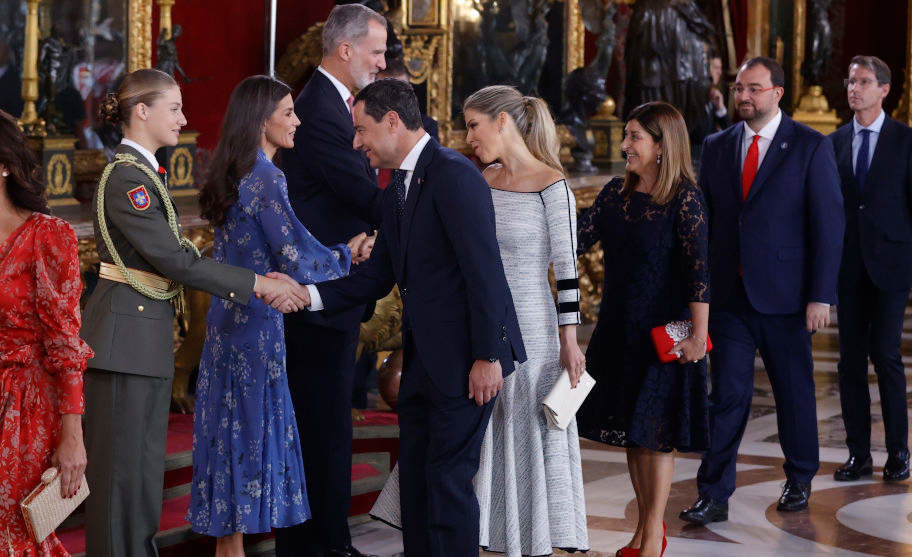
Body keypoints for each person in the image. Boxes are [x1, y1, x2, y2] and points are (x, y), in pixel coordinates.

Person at [266, 78, 526, 556]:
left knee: (447, 489)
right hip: (425, 366)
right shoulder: (397, 189)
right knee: (420, 493)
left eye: (361, 129)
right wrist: (306, 294)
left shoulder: (453, 175)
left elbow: (485, 272)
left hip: (467, 364)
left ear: (392, 122)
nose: (356, 142)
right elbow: (374, 278)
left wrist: (488, 355)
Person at [79, 68, 302, 557]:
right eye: (174, 107)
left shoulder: (142, 175)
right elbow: (176, 261)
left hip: (141, 343)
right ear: (143, 111)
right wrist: (258, 284)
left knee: (138, 484)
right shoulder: (127, 180)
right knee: (121, 486)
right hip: (124, 348)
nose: (184, 118)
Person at [188, 76, 366, 555]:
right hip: (256, 324)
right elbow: (294, 253)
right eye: (288, 112)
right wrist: (347, 256)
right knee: (247, 437)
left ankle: (230, 548)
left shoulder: (234, 169)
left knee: (227, 437)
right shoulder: (267, 175)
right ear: (262, 118)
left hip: (226, 322)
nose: (297, 120)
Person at [679, 57, 844, 525]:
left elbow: (829, 226)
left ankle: (799, 477)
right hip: (729, 299)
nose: (744, 96)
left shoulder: (811, 146)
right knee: (726, 395)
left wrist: (821, 296)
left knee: (794, 392)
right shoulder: (716, 145)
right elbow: (705, 224)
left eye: (753, 88)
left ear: (777, 93)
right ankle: (714, 493)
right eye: (738, 88)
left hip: (788, 299)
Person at [457, 85, 588, 556]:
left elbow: (568, 272)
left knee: (530, 430)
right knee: (485, 424)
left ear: (503, 122)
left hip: (534, 328)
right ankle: (487, 533)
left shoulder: (554, 184)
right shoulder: (480, 180)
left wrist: (569, 342)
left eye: (474, 124)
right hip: (482, 325)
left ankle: (529, 538)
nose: (468, 135)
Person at [576, 101, 710, 557]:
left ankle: (653, 533)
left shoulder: (685, 200)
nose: (625, 144)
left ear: (660, 145)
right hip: (617, 332)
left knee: (655, 432)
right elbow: (576, 236)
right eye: (627, 135)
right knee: (633, 432)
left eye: (634, 136)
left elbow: (699, 274)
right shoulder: (615, 194)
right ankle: (643, 529)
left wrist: (697, 337)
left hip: (664, 337)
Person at [277, 6, 384, 554]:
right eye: (376, 52)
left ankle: (329, 541)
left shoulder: (334, 105)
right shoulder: (320, 110)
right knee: (320, 429)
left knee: (329, 426)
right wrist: (415, 209)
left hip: (333, 290)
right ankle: (321, 545)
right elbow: (357, 191)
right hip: (313, 296)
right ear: (345, 50)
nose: (382, 62)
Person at [828, 55, 912, 483]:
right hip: (848, 268)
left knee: (887, 356)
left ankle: (899, 452)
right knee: (849, 363)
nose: (854, 88)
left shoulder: (907, 140)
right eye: (850, 80)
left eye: (863, 81)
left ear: (884, 89)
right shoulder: (834, 142)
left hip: (894, 267)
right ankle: (859, 455)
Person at [0, 110, 92, 555]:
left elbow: (65, 343)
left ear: (3, 166)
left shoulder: (48, 236)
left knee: (15, 531)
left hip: (24, 406)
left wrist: (71, 434)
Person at [376, 56, 440, 139]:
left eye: (400, 90)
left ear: (410, 90)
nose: (395, 97)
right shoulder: (363, 125)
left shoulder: (428, 127)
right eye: (387, 91)